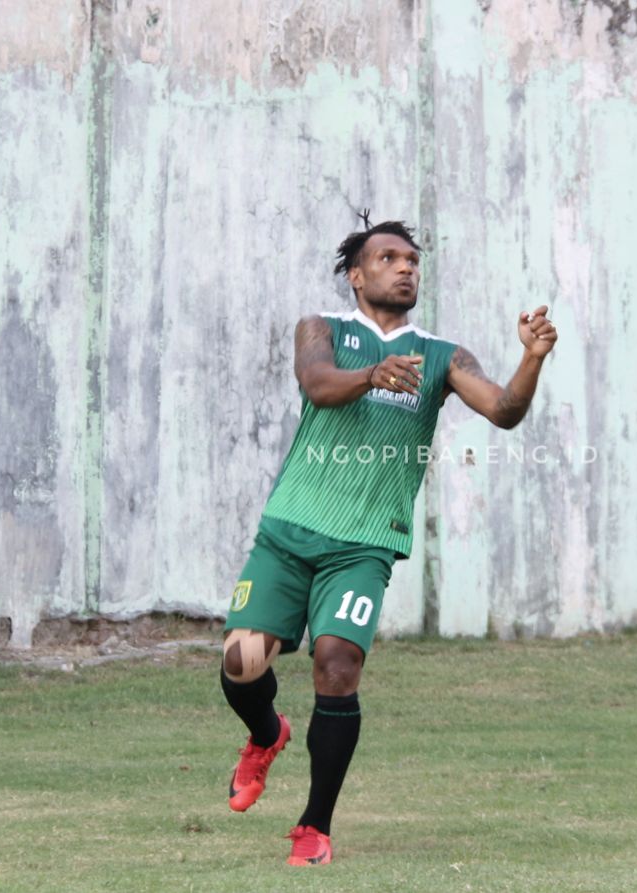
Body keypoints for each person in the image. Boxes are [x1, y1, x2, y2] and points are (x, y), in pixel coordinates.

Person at [218, 214, 557, 866]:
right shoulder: (322, 328)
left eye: (412, 260)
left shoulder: (441, 354)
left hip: (364, 544)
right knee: (241, 665)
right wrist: (372, 374)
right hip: (288, 533)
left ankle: (313, 826)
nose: (406, 268)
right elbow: (317, 384)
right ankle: (266, 732)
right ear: (357, 274)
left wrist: (531, 360)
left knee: (337, 663)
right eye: (389, 258)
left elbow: (504, 410)